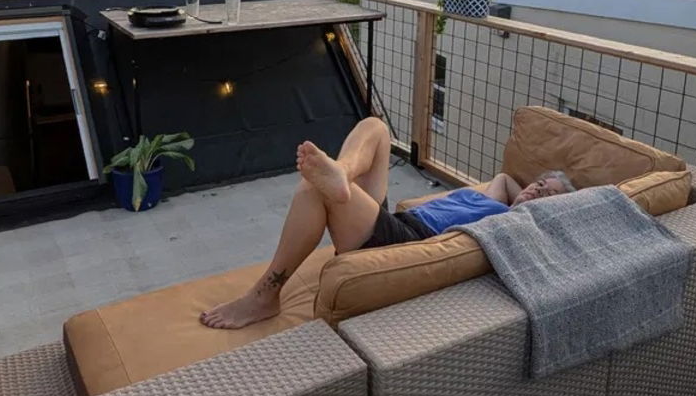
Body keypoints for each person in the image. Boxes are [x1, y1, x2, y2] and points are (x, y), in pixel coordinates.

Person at [200, 117, 573, 329]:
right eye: (539, 184)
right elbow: (507, 177)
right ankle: (343, 174)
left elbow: (535, 218)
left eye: (546, 196)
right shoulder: (497, 198)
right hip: (400, 220)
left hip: (408, 242)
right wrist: (526, 189)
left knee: (313, 190)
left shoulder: (514, 225)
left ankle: (265, 296)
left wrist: (534, 205)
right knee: (376, 127)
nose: (536, 192)